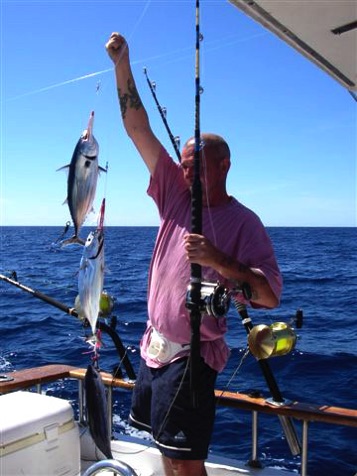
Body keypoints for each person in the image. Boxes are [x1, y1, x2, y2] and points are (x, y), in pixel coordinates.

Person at [105, 32, 282, 476]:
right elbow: (137, 127)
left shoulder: (245, 223)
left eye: (195, 163)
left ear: (224, 165)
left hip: (192, 358)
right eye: (183, 164)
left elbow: (268, 296)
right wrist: (122, 64)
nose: (185, 171)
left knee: (187, 465)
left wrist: (220, 260)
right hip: (153, 348)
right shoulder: (175, 196)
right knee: (165, 454)